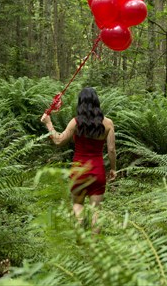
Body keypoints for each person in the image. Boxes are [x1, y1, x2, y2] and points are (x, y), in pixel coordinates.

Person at [40, 87, 116, 232]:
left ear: (80, 103)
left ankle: (82, 232)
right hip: (97, 171)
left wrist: (48, 123)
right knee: (96, 211)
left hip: (79, 170)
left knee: (78, 205)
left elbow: (58, 141)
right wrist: (113, 168)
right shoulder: (108, 123)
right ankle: (94, 247)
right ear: (97, 102)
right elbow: (111, 149)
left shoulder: (75, 122)